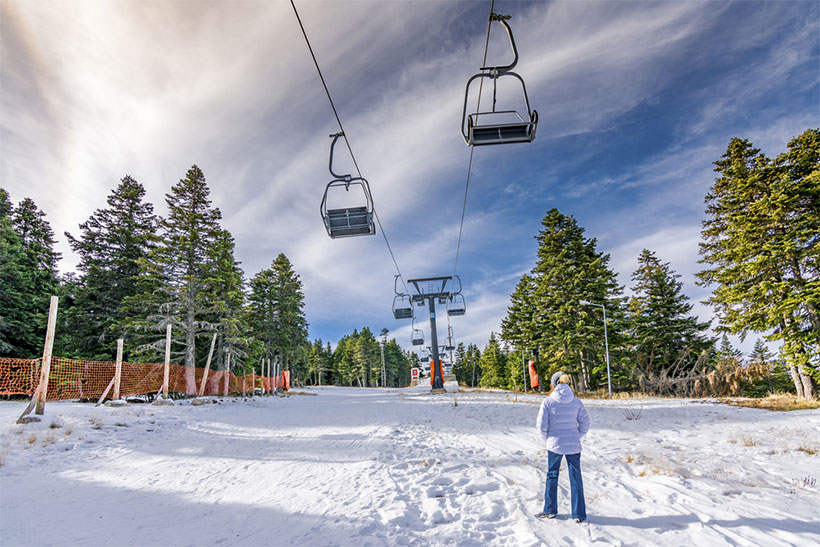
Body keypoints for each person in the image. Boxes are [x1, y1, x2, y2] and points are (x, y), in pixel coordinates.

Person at [535, 371, 590, 523]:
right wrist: (576, 436)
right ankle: (578, 513)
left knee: (552, 475)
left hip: (555, 445)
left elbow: (541, 426)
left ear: (553, 384)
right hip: (573, 445)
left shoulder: (548, 402)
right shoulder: (576, 402)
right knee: (575, 477)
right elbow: (585, 423)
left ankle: (550, 510)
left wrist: (548, 439)